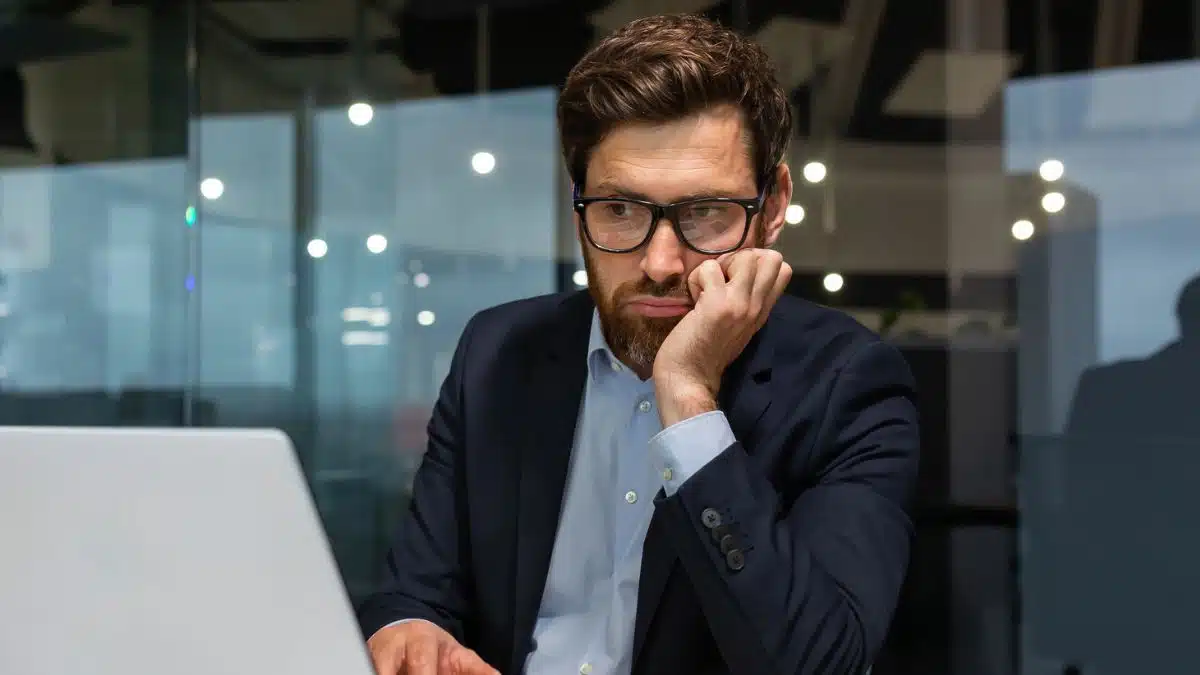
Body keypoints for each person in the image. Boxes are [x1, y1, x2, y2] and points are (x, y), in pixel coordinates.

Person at [358, 13, 919, 675]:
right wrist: (410, 627)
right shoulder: (496, 351)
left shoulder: (847, 384)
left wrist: (687, 396)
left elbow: (823, 665)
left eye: (705, 211)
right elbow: (416, 588)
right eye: (620, 209)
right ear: (579, 206)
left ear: (772, 209)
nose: (659, 261)